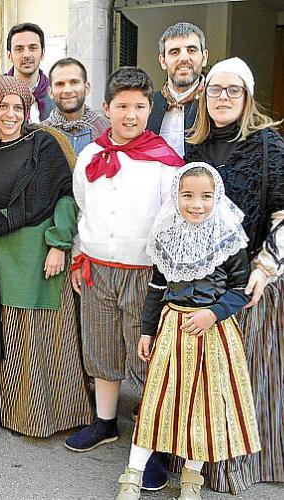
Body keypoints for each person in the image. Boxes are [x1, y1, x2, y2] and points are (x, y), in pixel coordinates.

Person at [64, 67, 184, 490]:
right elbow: (83, 206)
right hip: (97, 268)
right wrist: (80, 255)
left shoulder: (165, 163)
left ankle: (154, 442)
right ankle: (105, 421)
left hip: (144, 273)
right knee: (101, 347)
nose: (130, 115)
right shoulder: (89, 156)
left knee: (147, 357)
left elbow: (172, 220)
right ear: (106, 108)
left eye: (139, 107)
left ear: (150, 109)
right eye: (121, 106)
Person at [115, 163, 260, 500]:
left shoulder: (228, 237)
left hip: (212, 333)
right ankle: (132, 475)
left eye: (206, 196)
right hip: (173, 330)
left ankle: (192, 478)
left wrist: (213, 313)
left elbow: (241, 289)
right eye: (188, 195)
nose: (197, 204)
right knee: (155, 402)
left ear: (217, 197)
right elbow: (156, 287)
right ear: (176, 196)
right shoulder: (167, 235)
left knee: (204, 407)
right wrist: (147, 330)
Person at [183, 57, 284, 494]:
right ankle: (195, 458)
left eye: (233, 90)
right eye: (215, 90)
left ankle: (238, 465)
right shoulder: (195, 145)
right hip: (203, 280)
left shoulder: (268, 144)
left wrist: (266, 266)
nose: (223, 98)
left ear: (247, 97)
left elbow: (282, 212)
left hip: (252, 281)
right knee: (203, 376)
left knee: (245, 376)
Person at [0, 75, 93, 437]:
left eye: (18, 107)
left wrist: (59, 244)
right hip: (2, 252)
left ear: (28, 109)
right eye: (3, 107)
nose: (10, 114)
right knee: (14, 336)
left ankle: (58, 415)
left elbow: (65, 195)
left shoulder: (43, 143)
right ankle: (19, 415)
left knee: (47, 336)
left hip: (42, 251)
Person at [146, 22, 208, 157]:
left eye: (191, 50)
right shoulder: (146, 105)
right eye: (174, 52)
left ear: (204, 58)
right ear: (163, 61)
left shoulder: (214, 106)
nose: (184, 58)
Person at [0, 23, 55, 123]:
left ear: (42, 54)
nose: (26, 55)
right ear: (9, 55)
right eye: (19, 49)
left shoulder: (56, 96)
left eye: (32, 48)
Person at [42, 58, 109, 155]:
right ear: (50, 92)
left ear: (86, 88)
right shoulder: (39, 134)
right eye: (60, 84)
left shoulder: (108, 130)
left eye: (74, 82)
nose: (67, 90)